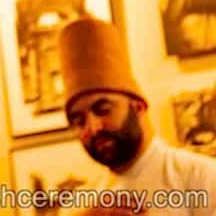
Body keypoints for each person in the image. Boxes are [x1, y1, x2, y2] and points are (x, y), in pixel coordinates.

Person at [58, 17, 216, 216]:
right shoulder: (78, 206)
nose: (93, 127)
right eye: (79, 121)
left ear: (138, 106)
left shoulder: (202, 177)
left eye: (103, 110)